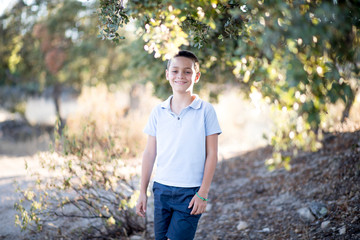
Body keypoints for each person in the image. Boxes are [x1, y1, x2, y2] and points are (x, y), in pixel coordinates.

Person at [136, 50, 222, 240]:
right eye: (175, 71)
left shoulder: (206, 111)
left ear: (196, 76)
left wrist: (203, 193)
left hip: (190, 193)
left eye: (187, 71)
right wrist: (142, 192)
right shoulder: (158, 111)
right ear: (167, 75)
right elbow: (149, 153)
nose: (180, 76)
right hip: (161, 190)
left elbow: (212, 154)